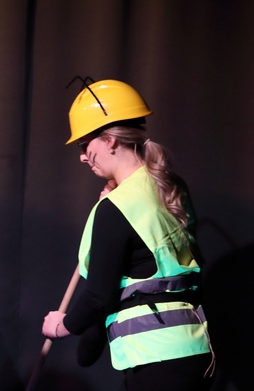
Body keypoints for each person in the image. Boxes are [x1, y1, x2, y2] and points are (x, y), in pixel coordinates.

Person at [41, 79, 214, 390]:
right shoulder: (171, 186)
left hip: (156, 357)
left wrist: (61, 326)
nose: (82, 156)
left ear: (109, 141)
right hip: (196, 349)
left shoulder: (115, 208)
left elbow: (98, 296)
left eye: (84, 145)